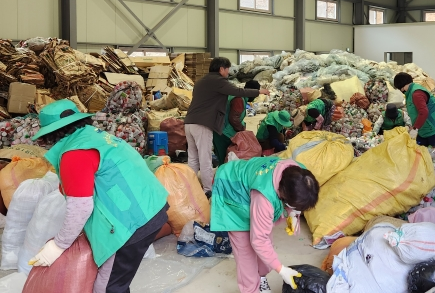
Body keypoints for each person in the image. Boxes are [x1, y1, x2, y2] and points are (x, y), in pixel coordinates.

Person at [30, 99, 169, 293]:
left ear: (50, 135)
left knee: (107, 287)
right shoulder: (95, 137)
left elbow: (80, 207)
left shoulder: (75, 153)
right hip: (151, 206)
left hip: (131, 223)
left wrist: (59, 245)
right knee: (116, 280)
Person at [211, 157, 320, 293]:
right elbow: (259, 241)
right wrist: (281, 269)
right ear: (284, 194)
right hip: (231, 189)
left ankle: (261, 276)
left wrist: (293, 213)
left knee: (266, 241)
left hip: (249, 184)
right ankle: (251, 289)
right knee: (246, 252)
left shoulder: (300, 175)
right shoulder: (263, 198)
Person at [185, 57, 270, 194]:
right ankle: (208, 190)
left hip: (189, 122)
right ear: (221, 69)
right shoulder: (218, 81)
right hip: (202, 124)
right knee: (205, 158)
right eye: (227, 69)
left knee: (193, 158)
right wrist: (259, 92)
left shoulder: (201, 81)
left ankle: (190, 187)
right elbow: (238, 92)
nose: (228, 72)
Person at [393, 73, 435, 150]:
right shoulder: (410, 92)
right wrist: (413, 126)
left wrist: (415, 128)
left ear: (402, 86)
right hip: (424, 129)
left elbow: (423, 112)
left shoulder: (416, 93)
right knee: (420, 152)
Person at [213, 80, 261, 165]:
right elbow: (234, 119)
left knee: (226, 158)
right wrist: (242, 131)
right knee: (225, 160)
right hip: (223, 133)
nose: (254, 98)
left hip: (223, 130)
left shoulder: (240, 97)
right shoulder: (239, 99)